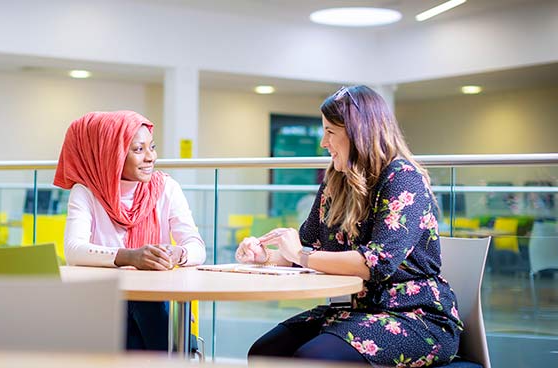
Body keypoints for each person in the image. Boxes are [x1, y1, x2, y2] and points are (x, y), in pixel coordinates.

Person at [237, 86, 461, 367]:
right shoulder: (335, 180)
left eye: (330, 132)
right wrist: (267, 257)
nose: (323, 143)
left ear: (359, 133)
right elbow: (311, 249)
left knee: (313, 359)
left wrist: (300, 255)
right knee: (264, 352)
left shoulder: (403, 178)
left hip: (415, 317)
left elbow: (377, 264)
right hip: (353, 311)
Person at [54, 110, 206, 351]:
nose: (150, 157)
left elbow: (196, 246)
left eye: (152, 147)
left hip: (152, 304)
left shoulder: (167, 188)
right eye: (138, 149)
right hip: (103, 303)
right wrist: (132, 256)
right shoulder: (86, 193)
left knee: (145, 308)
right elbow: (74, 250)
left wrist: (177, 253)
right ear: (110, 154)